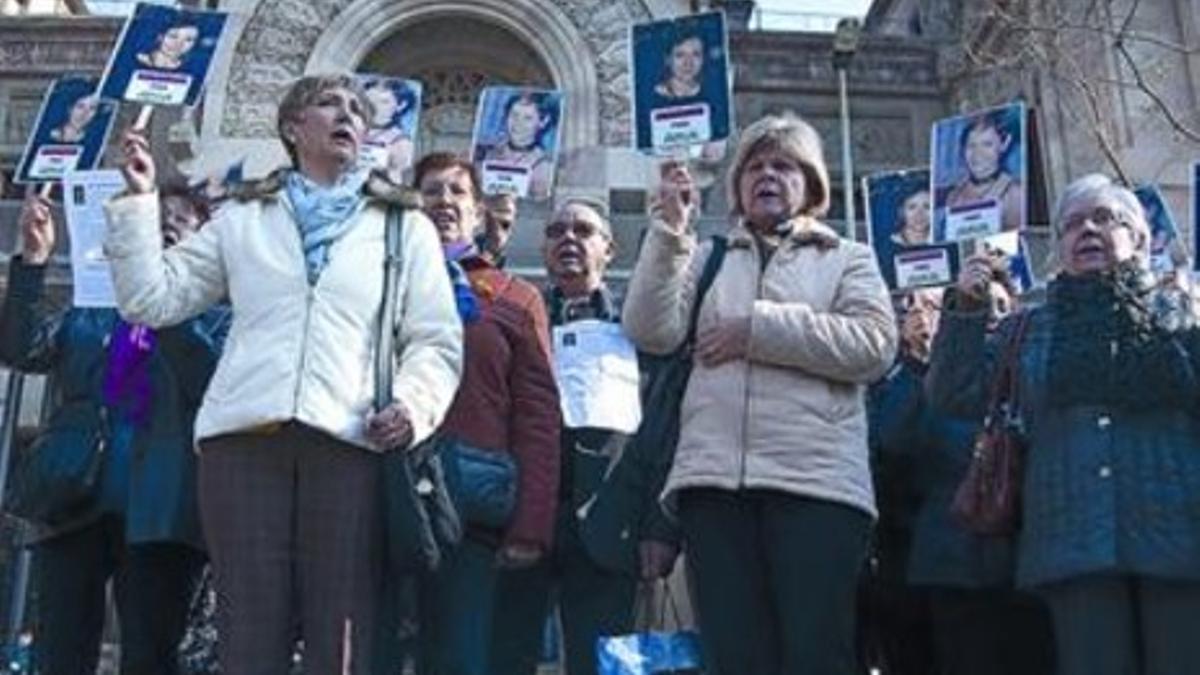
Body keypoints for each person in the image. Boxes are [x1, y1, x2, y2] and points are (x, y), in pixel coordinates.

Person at [103, 73, 463, 673]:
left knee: (340, 630)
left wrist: (413, 404)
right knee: (248, 628)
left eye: (357, 110)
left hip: (348, 439)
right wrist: (140, 200)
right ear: (293, 128)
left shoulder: (405, 225)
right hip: (241, 442)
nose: (347, 116)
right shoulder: (243, 216)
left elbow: (434, 338)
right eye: (329, 104)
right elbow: (151, 299)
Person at [621, 112, 898, 675]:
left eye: (783, 165)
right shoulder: (708, 258)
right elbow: (650, 330)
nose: (766, 175)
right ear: (738, 186)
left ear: (811, 185)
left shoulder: (848, 258)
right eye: (754, 166)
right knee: (736, 658)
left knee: (815, 656)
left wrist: (757, 329)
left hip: (816, 489)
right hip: (714, 490)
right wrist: (669, 234)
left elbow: (873, 345)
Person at [927, 173, 1200, 675]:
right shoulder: (1030, 327)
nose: (1087, 231)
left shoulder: (1184, 315)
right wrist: (965, 309)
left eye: (1104, 219)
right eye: (1072, 225)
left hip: (1178, 539)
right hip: (1075, 543)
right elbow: (953, 393)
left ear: (1139, 237)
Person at [0, 183, 227, 675]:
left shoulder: (215, 316)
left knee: (150, 650)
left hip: (163, 508)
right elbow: (23, 349)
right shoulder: (93, 303)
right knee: (58, 648)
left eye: (175, 229)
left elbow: (207, 380)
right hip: (75, 495)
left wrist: (163, 303)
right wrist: (32, 264)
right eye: (151, 226)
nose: (161, 235)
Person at [411, 152, 560, 675]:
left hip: (468, 503)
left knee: (458, 656)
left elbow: (538, 418)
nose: (444, 202)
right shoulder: (376, 284)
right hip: (381, 495)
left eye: (457, 193)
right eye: (431, 190)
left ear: (478, 213)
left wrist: (530, 525)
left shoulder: (516, 298)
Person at [490, 198, 651, 675]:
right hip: (524, 517)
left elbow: (660, 429)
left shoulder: (638, 326)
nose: (568, 239)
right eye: (556, 231)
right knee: (507, 654)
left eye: (583, 230)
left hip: (608, 522)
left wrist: (659, 527)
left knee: (602, 664)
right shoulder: (521, 317)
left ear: (610, 248)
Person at [871, 272, 1056, 675]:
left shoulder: (1033, 372)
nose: (990, 317)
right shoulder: (926, 380)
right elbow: (893, 443)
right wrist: (929, 365)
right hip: (951, 569)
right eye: (976, 305)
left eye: (1000, 307)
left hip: (1027, 569)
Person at [943, 111, 1025, 234]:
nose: (978, 154)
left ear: (1002, 146)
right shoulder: (954, 196)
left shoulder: (1016, 193)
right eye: (971, 146)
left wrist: (985, 250)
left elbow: (1019, 242)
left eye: (987, 145)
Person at [476, 92, 557, 201]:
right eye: (514, 115)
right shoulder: (486, 153)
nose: (518, 123)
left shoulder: (545, 166)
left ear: (543, 121)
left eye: (527, 118)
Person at [362, 78, 418, 182]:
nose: (373, 107)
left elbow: (395, 178)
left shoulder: (400, 142)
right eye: (368, 101)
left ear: (401, 105)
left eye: (384, 102)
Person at [654, 32, 703, 100]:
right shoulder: (650, 97)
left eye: (695, 54)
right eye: (680, 55)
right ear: (667, 59)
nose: (688, 63)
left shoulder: (713, 96)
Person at [476, 192, 517, 268]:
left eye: (508, 212)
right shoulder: (472, 246)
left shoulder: (514, 253)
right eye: (499, 211)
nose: (504, 217)